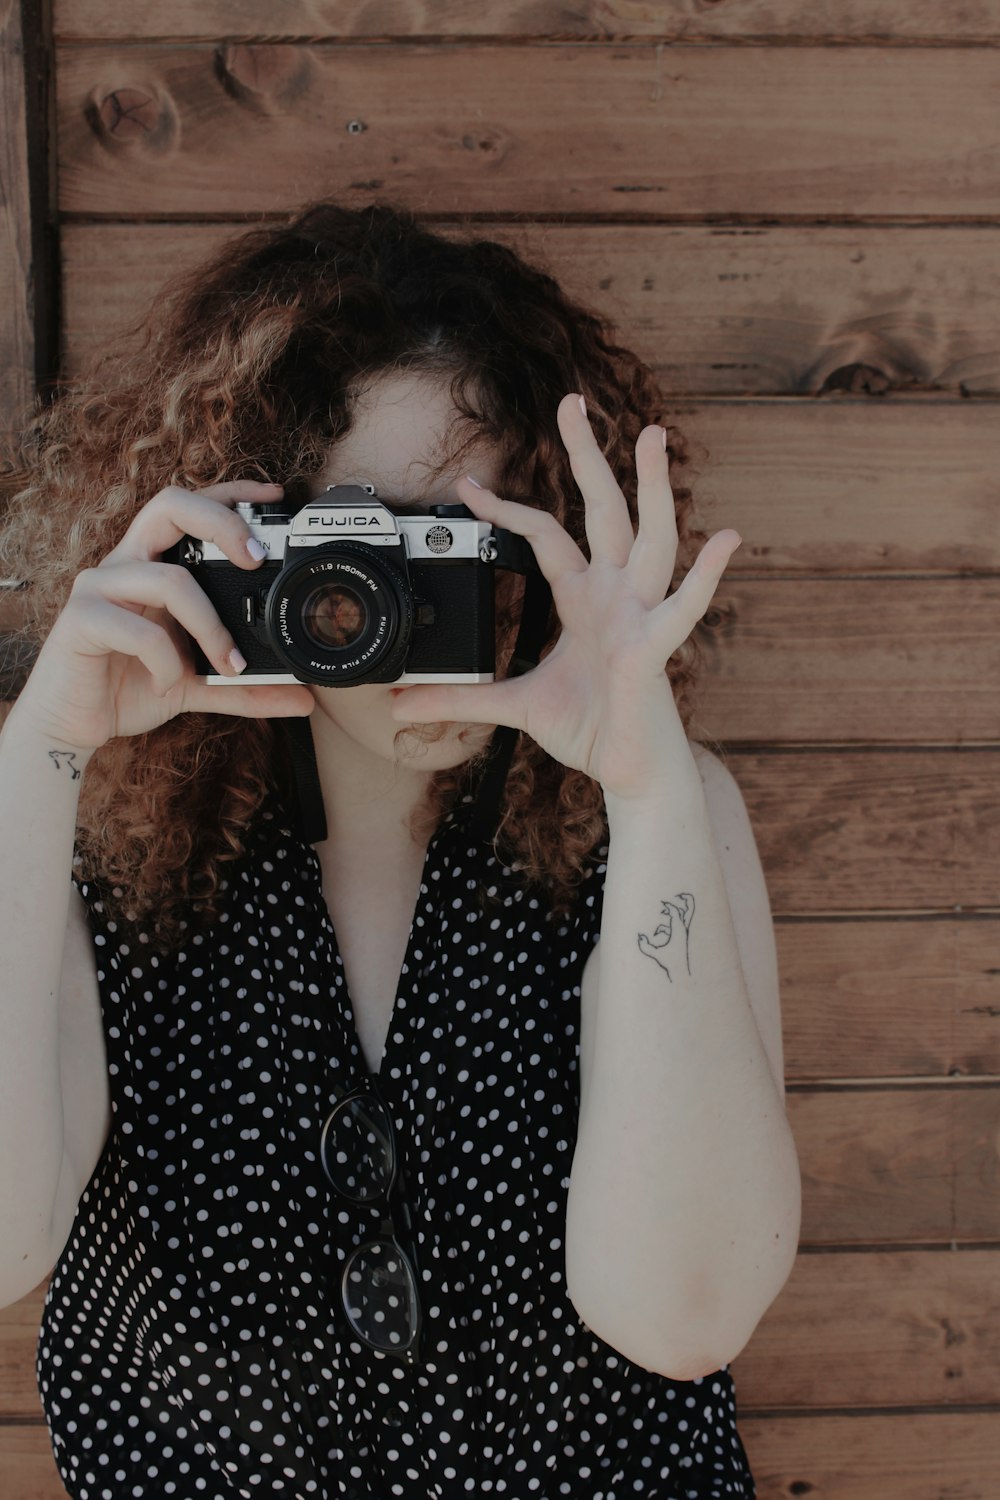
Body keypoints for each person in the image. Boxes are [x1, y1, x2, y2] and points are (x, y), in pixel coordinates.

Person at [0, 202, 801, 1500]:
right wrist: (42, 754)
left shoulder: (651, 816)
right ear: (246, 548)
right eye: (370, 553)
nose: (426, 612)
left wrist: (650, 790)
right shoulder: (95, 848)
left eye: (471, 544)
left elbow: (688, 1315)